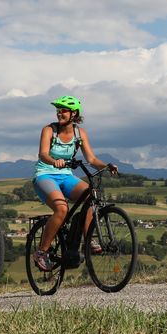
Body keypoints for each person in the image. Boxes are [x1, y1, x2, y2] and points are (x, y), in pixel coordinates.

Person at [32, 95, 117, 271]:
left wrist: (106, 166)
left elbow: (91, 158)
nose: (59, 113)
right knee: (62, 209)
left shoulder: (80, 133)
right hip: (45, 175)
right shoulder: (49, 130)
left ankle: (88, 241)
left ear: (74, 114)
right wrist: (53, 161)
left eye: (63, 110)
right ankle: (41, 252)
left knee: (90, 196)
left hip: (66, 176)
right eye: (58, 110)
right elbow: (43, 154)